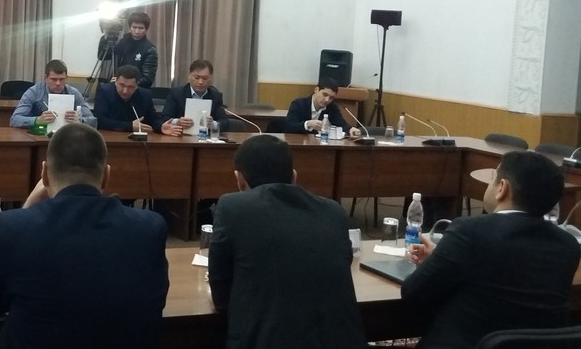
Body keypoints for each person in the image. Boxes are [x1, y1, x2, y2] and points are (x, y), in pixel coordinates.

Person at [0, 123, 169, 349]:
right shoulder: (150, 228)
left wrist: (28, 207)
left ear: (44, 173)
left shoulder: (14, 226)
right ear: (106, 176)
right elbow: (156, 300)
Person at [402, 150, 580, 348]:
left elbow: (412, 293)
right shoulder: (567, 246)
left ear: (502, 188)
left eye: (493, 178)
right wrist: (442, 256)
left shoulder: (470, 231)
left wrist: (442, 260)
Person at [208, 134, 366, 348]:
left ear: (239, 179)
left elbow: (221, 293)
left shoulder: (232, 207)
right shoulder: (334, 211)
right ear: (294, 176)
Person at [94, 65, 182, 136]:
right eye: (122, 85)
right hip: (109, 137)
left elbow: (153, 118)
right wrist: (130, 126)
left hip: (137, 141)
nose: (125, 91)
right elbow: (99, 120)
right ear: (115, 81)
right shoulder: (104, 91)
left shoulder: (145, 95)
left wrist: (161, 127)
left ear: (137, 85)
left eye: (130, 87)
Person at [9, 59, 95, 128]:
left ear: (66, 78)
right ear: (46, 78)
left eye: (62, 79)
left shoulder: (74, 93)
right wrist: (37, 120)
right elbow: (14, 120)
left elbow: (93, 121)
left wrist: (80, 121)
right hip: (39, 135)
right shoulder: (34, 92)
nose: (58, 83)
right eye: (54, 79)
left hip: (66, 135)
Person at [161, 59, 230, 133]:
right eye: (196, 78)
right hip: (180, 135)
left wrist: (213, 124)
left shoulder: (216, 96)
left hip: (206, 137)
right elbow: (164, 118)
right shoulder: (176, 93)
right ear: (189, 76)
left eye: (205, 78)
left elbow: (225, 122)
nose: (200, 82)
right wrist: (177, 122)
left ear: (211, 78)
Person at [96, 11, 158, 88]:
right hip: (116, 87)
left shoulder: (149, 49)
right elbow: (102, 56)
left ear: (146, 29)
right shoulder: (122, 41)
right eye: (134, 27)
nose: (137, 31)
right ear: (130, 27)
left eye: (141, 28)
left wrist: (122, 82)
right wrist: (106, 37)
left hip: (136, 90)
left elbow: (147, 80)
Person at [284, 78, 361, 137]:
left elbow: (341, 123)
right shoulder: (299, 104)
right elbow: (289, 126)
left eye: (331, 98)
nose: (327, 100)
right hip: (299, 143)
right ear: (316, 90)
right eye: (325, 95)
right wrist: (308, 124)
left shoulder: (332, 107)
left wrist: (350, 129)